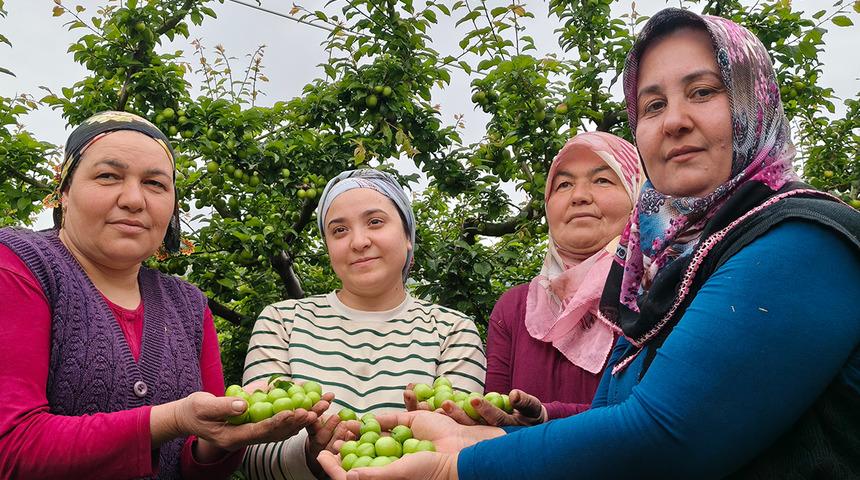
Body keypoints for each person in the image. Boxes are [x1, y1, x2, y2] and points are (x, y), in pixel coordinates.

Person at [317, 8, 860, 479]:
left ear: (753, 101)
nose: (673, 121)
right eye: (651, 105)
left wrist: (456, 466)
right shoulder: (668, 270)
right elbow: (619, 415)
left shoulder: (802, 239)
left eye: (704, 91)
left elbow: (664, 437)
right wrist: (499, 436)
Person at [0, 111, 328, 479]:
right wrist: (171, 418)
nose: (134, 199)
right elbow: (10, 447)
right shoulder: (17, 266)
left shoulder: (188, 305)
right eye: (108, 176)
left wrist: (224, 438)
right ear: (64, 190)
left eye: (155, 183)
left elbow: (193, 464)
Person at [242, 168, 486, 479]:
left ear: (408, 236)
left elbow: (461, 450)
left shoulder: (452, 330)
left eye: (375, 222)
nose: (359, 242)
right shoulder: (282, 321)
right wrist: (312, 451)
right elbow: (252, 455)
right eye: (339, 230)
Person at [479, 132, 642, 424]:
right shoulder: (514, 309)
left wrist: (546, 416)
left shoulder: (656, 295)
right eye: (564, 184)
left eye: (602, 179)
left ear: (636, 194)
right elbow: (494, 415)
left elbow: (651, 417)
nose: (579, 196)